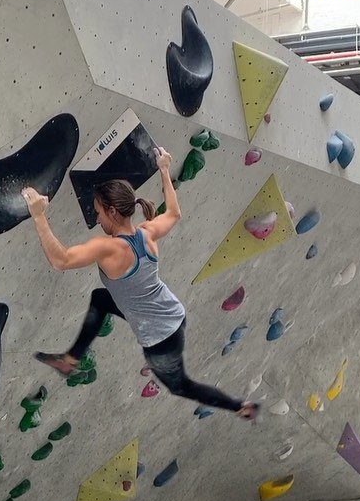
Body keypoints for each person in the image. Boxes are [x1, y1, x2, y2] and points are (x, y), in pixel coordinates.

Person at [21, 147, 259, 421]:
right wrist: (165, 169)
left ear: (111, 211)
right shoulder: (147, 233)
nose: (97, 218)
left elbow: (60, 260)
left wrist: (38, 215)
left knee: (180, 385)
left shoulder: (108, 249)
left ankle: (239, 407)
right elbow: (173, 213)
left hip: (160, 339)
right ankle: (69, 360)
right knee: (101, 298)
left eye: (98, 212)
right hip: (171, 312)